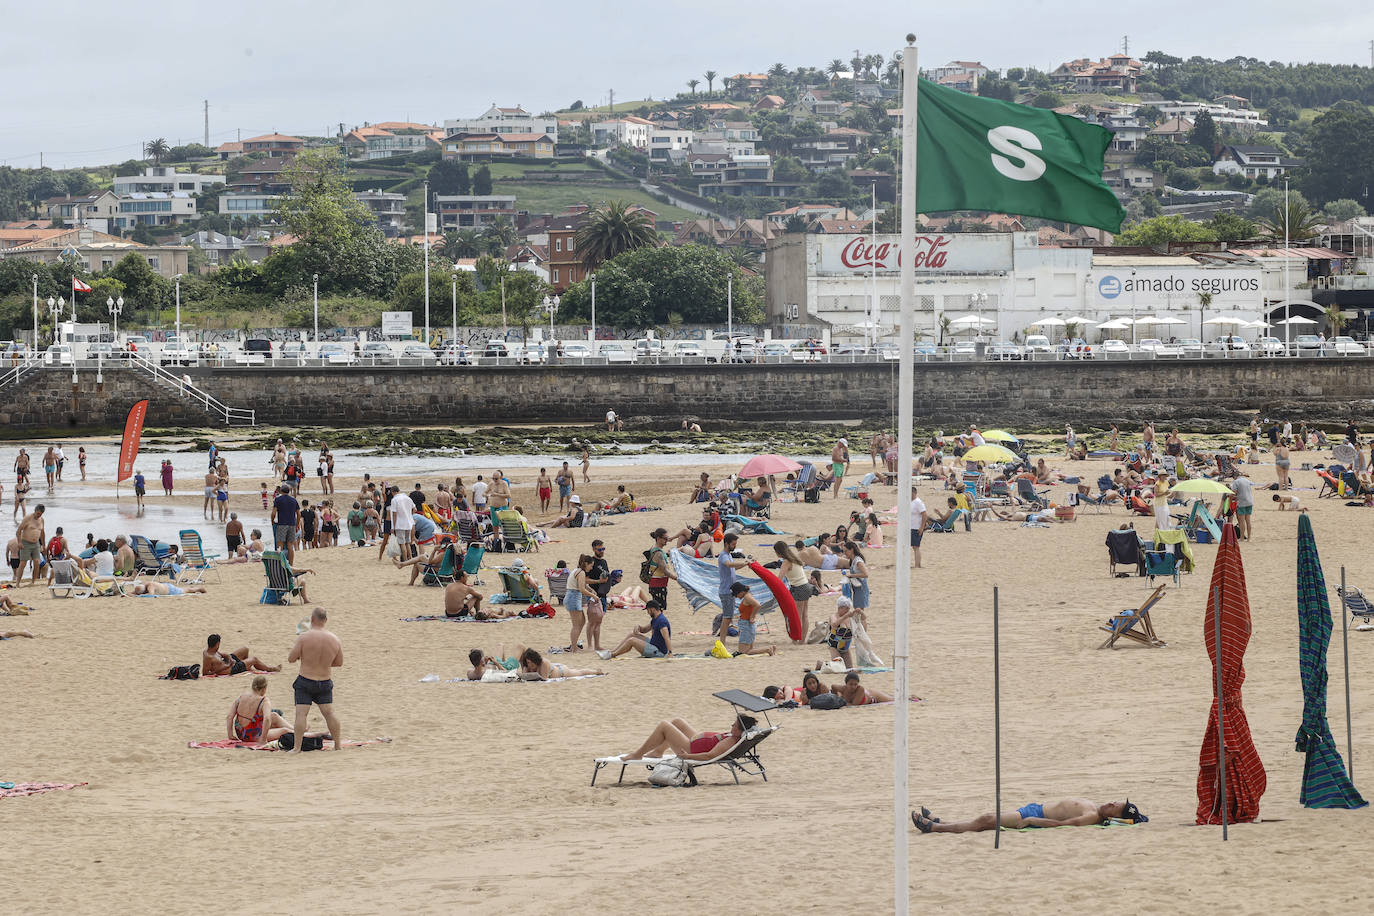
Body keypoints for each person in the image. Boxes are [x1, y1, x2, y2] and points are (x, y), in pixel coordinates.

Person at [287, 607, 343, 754]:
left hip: (306, 679)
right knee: (329, 713)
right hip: (324, 681)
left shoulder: (304, 637)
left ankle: (297, 748)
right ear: (326, 620)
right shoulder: (335, 639)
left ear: (312, 619)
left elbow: (291, 659)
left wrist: (306, 658)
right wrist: (323, 662)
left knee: (301, 714)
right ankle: (338, 745)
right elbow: (339, 662)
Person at [913, 798, 1145, 834]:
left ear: (1118, 813)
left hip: (1036, 814)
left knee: (986, 819)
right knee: (986, 818)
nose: (1112, 802)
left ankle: (935, 828)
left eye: (1116, 806)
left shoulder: (1091, 816)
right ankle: (943, 822)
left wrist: (1034, 821)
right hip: (1034, 807)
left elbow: (1061, 823)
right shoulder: (1095, 808)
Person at [613, 712, 757, 764]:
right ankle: (658, 752)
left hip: (691, 749)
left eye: (734, 726)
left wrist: (687, 756)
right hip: (696, 741)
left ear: (740, 731)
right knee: (677, 721)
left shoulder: (730, 741)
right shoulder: (735, 735)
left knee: (664, 725)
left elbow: (709, 756)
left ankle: (637, 755)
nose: (731, 726)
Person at [226, 675, 294, 745]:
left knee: (274, 715)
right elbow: (267, 719)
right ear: (264, 689)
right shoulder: (264, 701)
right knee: (285, 731)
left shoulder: (241, 697)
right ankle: (302, 734)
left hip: (241, 734)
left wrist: (230, 735)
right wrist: (263, 739)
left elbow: (229, 717)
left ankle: (297, 729)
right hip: (254, 736)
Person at [714, 532, 753, 642]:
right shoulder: (723, 556)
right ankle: (722, 641)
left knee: (728, 617)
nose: (735, 546)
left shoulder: (729, 555)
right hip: (725, 591)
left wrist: (745, 564)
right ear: (726, 544)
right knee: (727, 617)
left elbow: (732, 569)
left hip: (730, 591)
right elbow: (729, 565)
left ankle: (723, 641)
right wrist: (743, 563)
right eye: (733, 544)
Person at [603, 600, 672, 659]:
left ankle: (612, 655)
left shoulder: (661, 621)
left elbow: (667, 638)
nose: (648, 613)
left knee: (632, 641)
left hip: (658, 651)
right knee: (632, 635)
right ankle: (612, 651)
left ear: (652, 609)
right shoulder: (655, 619)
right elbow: (644, 630)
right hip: (653, 644)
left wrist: (670, 653)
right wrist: (638, 627)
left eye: (648, 610)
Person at [774, 541, 811, 645]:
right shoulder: (795, 559)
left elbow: (779, 579)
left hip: (799, 588)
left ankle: (796, 639)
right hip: (806, 586)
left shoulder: (786, 562)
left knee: (797, 616)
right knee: (804, 615)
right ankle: (802, 640)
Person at [728, 582, 776, 656]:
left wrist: (752, 617)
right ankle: (770, 648)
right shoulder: (747, 595)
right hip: (747, 626)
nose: (736, 597)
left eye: (736, 594)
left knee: (744, 652)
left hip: (747, 625)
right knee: (749, 649)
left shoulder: (747, 597)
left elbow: (757, 605)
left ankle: (767, 649)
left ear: (741, 592)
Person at [565, 554, 598, 652]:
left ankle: (574, 645)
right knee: (576, 625)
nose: (591, 568)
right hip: (573, 598)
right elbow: (581, 589)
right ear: (586, 564)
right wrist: (593, 596)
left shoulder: (577, 570)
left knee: (582, 622)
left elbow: (582, 584)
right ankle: (574, 648)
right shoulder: (581, 572)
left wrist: (591, 590)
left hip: (573, 597)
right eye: (591, 566)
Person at [203, 634, 279, 676]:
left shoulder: (212, 650)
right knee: (254, 659)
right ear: (217, 644)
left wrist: (230, 658)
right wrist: (227, 666)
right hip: (230, 669)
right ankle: (269, 669)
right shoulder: (208, 657)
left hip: (229, 663)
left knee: (245, 649)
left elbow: (224, 654)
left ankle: (245, 666)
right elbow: (205, 673)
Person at [517, 646, 603, 679]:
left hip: (561, 671)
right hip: (554, 668)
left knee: (578, 672)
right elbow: (524, 677)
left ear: (536, 660)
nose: (530, 665)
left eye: (532, 662)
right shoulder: (527, 665)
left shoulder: (543, 663)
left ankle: (596, 671)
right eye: (528, 662)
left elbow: (543, 678)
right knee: (577, 671)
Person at [646, 528, 678, 609]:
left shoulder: (655, 548)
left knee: (658, 609)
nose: (667, 540)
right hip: (658, 585)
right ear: (658, 539)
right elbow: (665, 571)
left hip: (656, 584)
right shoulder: (658, 553)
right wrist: (677, 578)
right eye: (665, 538)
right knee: (658, 610)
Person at [14, 503, 45, 586]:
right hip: (25, 542)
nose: (38, 515)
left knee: (37, 562)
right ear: (35, 511)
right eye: (38, 513)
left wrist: (43, 545)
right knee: (23, 563)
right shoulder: (27, 518)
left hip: (36, 543)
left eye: (40, 514)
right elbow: (18, 531)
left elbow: (42, 533)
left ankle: (33, 582)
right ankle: (17, 583)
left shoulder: (42, 520)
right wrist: (19, 542)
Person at [271, 485, 301, 563]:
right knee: (290, 546)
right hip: (292, 524)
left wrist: (272, 521)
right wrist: (297, 524)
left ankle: (281, 562)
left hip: (282, 524)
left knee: (280, 545)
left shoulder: (278, 499)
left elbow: (273, 513)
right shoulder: (294, 500)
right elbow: (299, 514)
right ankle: (291, 564)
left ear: (281, 491)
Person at [389, 484, 416, 561]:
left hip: (399, 524)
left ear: (393, 492)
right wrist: (409, 515)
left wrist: (393, 527)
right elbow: (415, 509)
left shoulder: (394, 500)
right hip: (409, 523)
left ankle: (405, 560)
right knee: (408, 542)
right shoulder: (408, 498)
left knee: (402, 543)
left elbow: (394, 514)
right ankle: (410, 558)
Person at [842, 542, 869, 611]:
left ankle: (863, 622)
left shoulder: (858, 561)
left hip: (861, 587)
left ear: (851, 550)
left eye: (846, 551)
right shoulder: (852, 560)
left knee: (859, 610)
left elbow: (865, 574)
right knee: (857, 609)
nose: (844, 553)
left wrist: (851, 575)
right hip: (856, 587)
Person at [1232, 471, 1255, 540]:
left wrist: (1230, 495)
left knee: (1242, 521)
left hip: (1241, 503)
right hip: (1250, 501)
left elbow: (1234, 494)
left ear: (1234, 477)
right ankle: (1249, 538)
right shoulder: (1246, 480)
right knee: (1248, 521)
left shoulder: (1236, 482)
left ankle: (1242, 537)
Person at [909, 485, 927, 568]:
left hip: (916, 527)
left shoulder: (918, 502)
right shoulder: (910, 502)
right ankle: (917, 564)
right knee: (914, 546)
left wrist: (921, 527)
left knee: (916, 547)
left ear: (914, 493)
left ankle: (917, 565)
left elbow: (924, 515)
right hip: (911, 526)